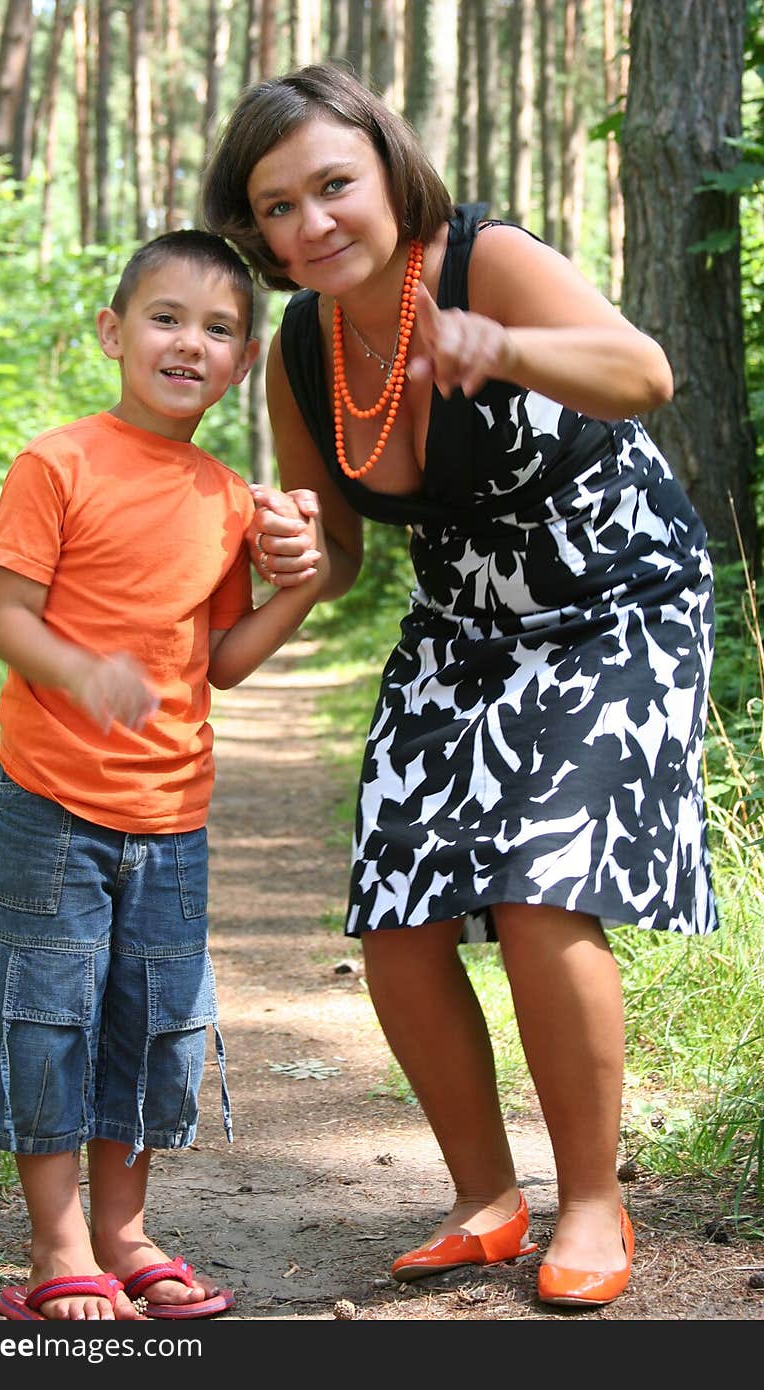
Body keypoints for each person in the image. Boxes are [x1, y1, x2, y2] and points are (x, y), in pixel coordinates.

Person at [202, 63, 719, 1310]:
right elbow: (334, 552)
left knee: (543, 892)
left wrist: (508, 345)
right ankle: (485, 1198)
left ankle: (591, 1202)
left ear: (387, 168)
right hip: (462, 625)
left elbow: (644, 374)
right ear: (255, 229)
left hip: (617, 598)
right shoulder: (305, 345)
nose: (311, 222)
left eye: (334, 185)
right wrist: (284, 557)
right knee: (399, 909)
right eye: (277, 207)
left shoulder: (485, 257)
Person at [0, 229, 326, 1322]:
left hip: (173, 815)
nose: (188, 343)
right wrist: (82, 672)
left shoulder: (225, 500)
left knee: (150, 1021)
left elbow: (218, 663)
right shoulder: (56, 463)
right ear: (115, 333)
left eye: (218, 329)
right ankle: (57, 1242)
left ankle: (125, 1234)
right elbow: (7, 621)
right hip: (53, 804)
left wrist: (297, 590)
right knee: (47, 1015)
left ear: (244, 361)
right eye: (165, 318)